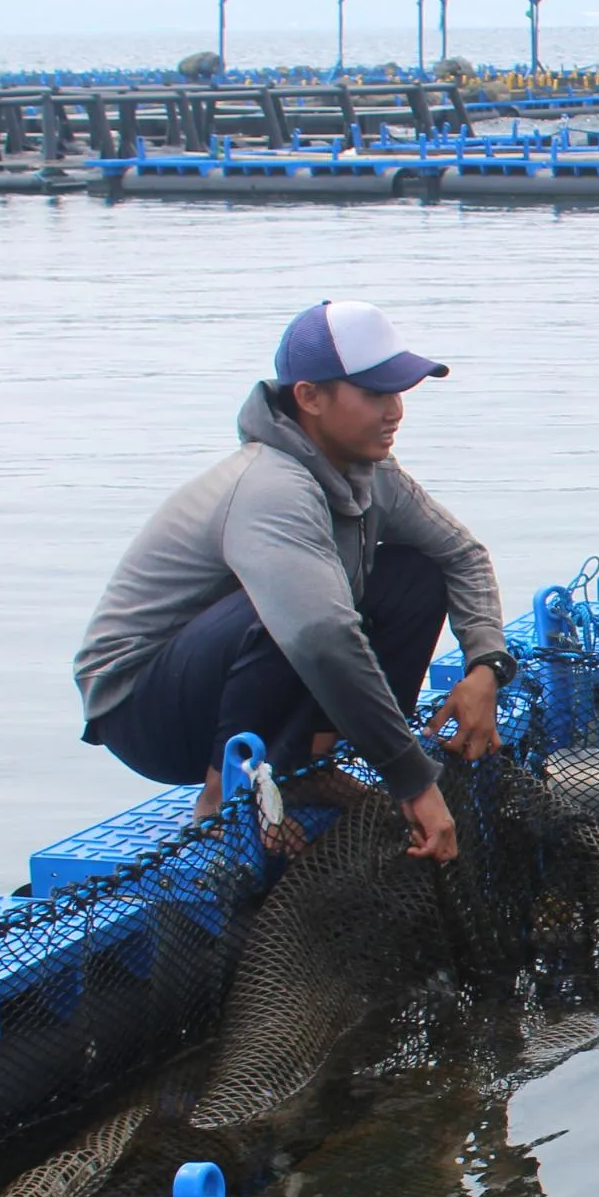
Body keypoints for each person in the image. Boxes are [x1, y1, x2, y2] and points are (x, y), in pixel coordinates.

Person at [75, 301, 510, 865]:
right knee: (298, 613)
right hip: (143, 708)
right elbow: (321, 636)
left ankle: (306, 767)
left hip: (237, 676)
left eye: (398, 393)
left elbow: (463, 555)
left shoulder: (373, 473)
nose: (395, 411)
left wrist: (486, 667)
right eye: (375, 394)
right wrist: (414, 781)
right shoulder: (270, 486)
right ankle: (226, 799)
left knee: (416, 575)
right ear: (309, 398)